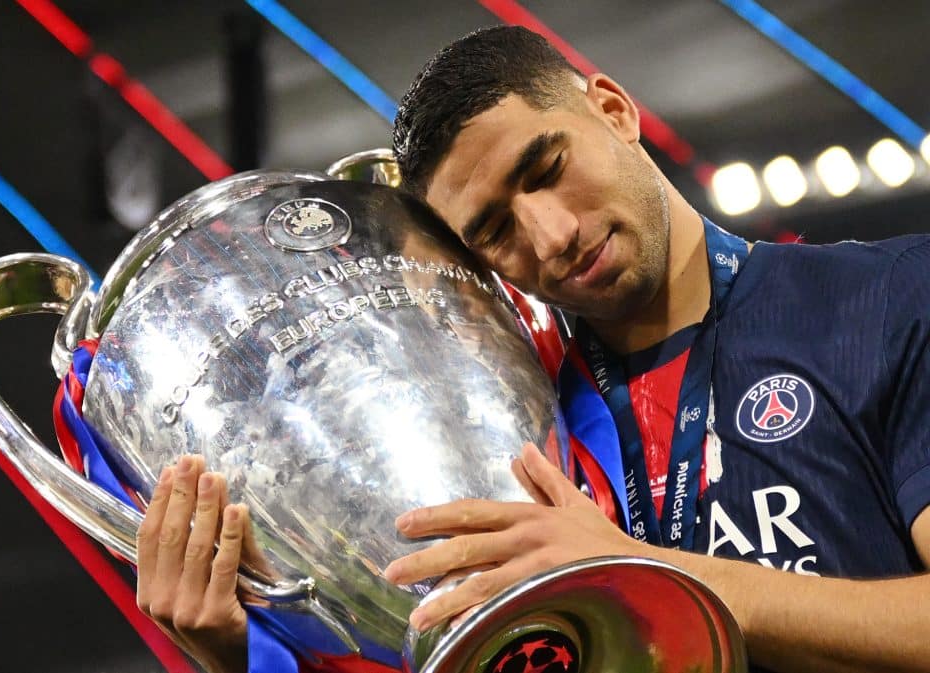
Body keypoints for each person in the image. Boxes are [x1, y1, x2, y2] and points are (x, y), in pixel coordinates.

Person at [136, 25, 930, 673]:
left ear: (615, 110)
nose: (551, 236)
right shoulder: (508, 434)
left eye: (547, 168)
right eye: (494, 231)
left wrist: (641, 575)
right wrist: (234, 655)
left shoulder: (890, 298)